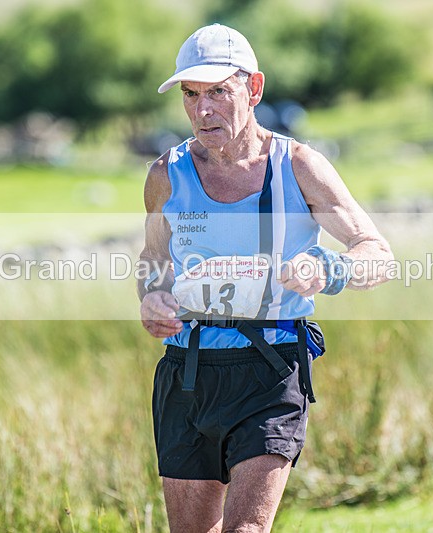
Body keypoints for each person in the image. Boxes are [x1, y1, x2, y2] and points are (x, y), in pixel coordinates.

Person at [137, 23, 393, 533]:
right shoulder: (166, 175)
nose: (202, 110)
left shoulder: (299, 167)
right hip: (187, 374)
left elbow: (378, 255)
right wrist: (152, 300)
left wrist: (329, 267)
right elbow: (154, 263)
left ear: (253, 89)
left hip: (270, 370)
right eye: (190, 95)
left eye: (217, 92)